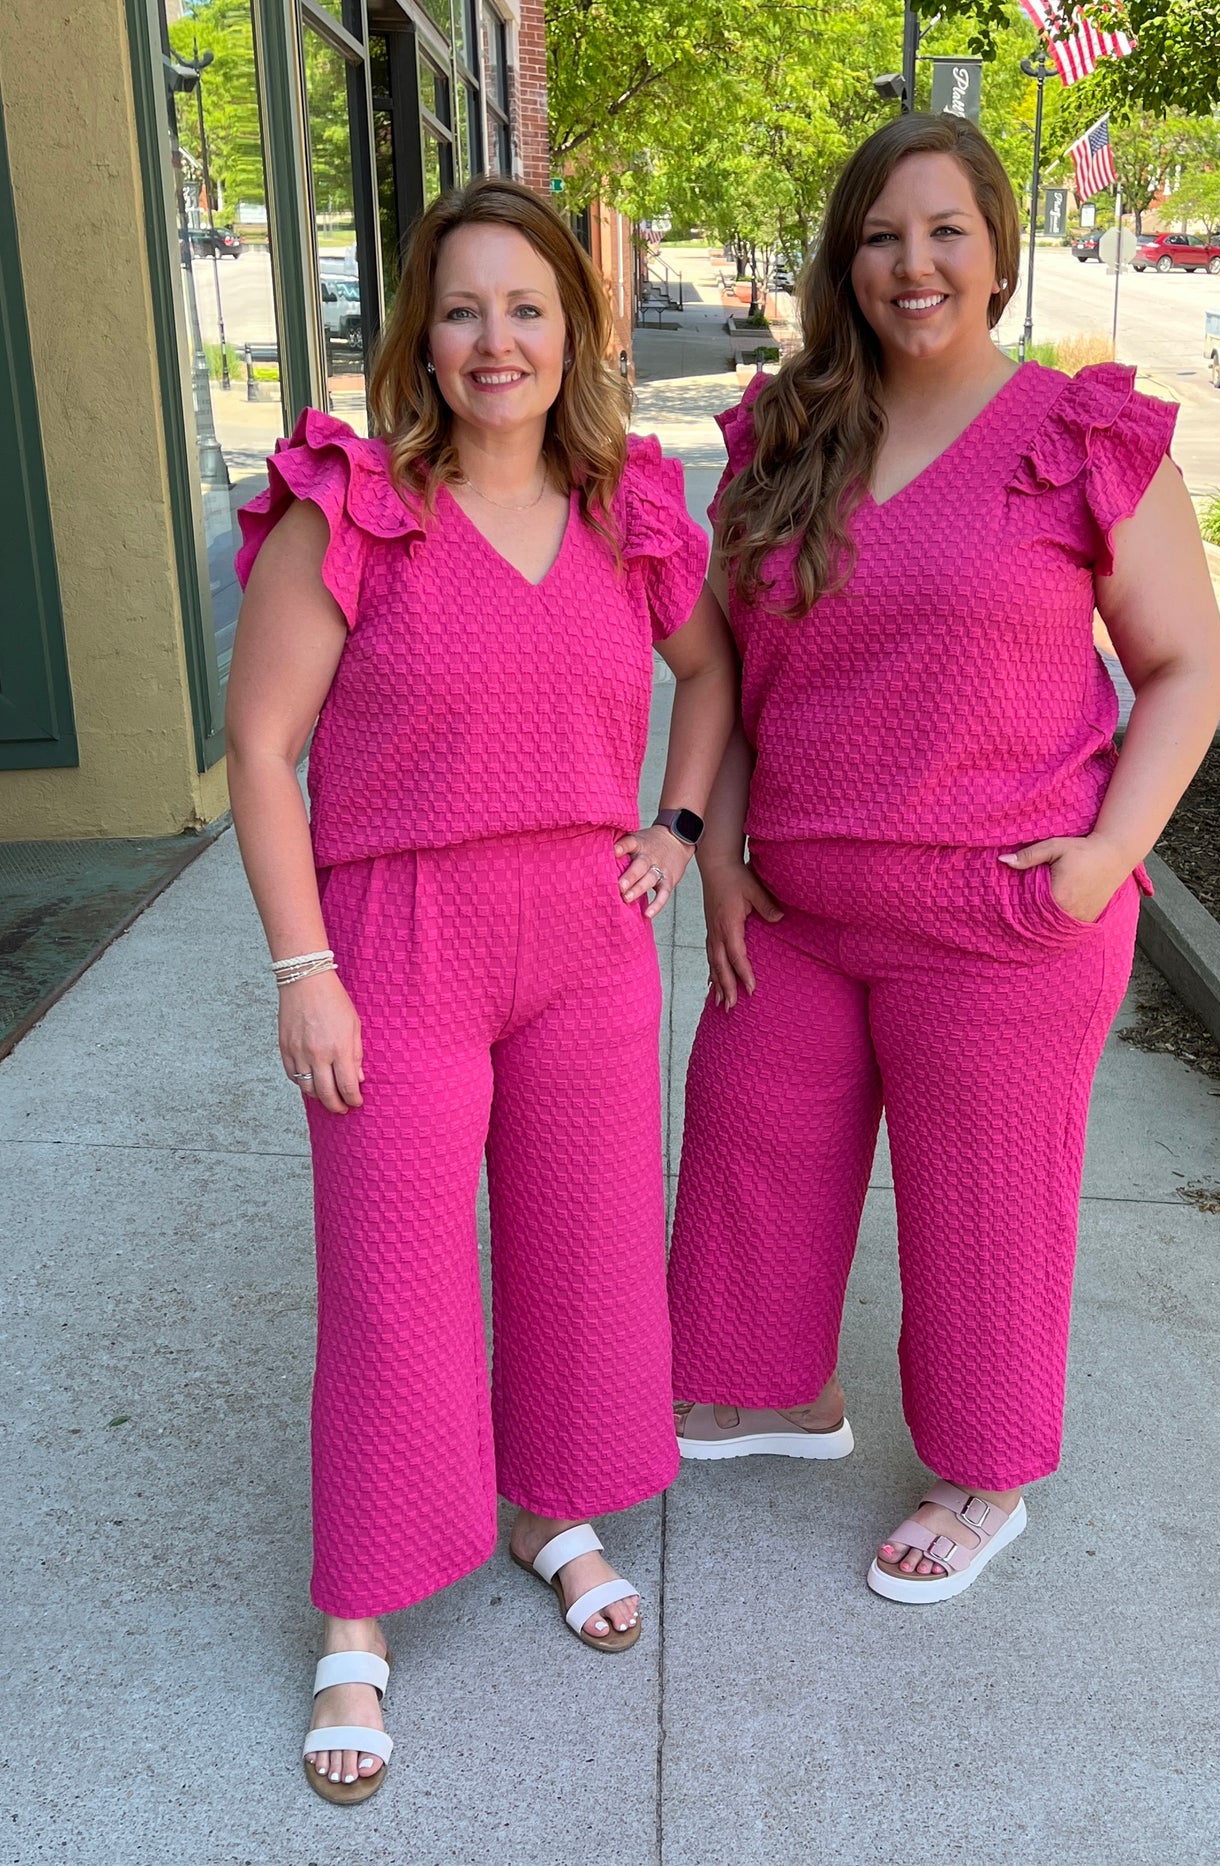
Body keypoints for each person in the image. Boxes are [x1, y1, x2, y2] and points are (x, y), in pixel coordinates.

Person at [667, 114, 1220, 1603]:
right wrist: (716, 853)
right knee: (748, 1141)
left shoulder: (1076, 435)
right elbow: (718, 664)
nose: (912, 265)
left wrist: (1108, 856)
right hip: (790, 904)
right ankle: (781, 1390)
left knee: (982, 1202)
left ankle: (986, 1474)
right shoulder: (781, 436)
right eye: (880, 236)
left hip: (998, 914)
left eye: (944, 232)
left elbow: (1185, 665)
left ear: (996, 248)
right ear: (844, 261)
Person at [227, 177, 734, 1802]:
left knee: (586, 1254)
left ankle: (547, 1503)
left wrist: (677, 821)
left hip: (585, 944)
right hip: (400, 941)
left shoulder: (626, 507)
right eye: (463, 309)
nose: (495, 340)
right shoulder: (357, 505)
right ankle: (360, 1612)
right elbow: (258, 748)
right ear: (421, 336)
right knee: (396, 1278)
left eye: (527, 307)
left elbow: (712, 671)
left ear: (573, 330)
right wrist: (303, 966)